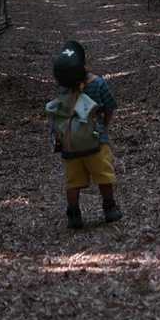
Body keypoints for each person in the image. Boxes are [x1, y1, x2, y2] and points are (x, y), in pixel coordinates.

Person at [46, 40, 122, 229]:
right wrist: (104, 126)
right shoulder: (98, 83)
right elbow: (110, 106)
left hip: (70, 144)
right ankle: (109, 208)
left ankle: (73, 214)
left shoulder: (64, 89)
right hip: (96, 140)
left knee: (73, 181)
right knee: (104, 175)